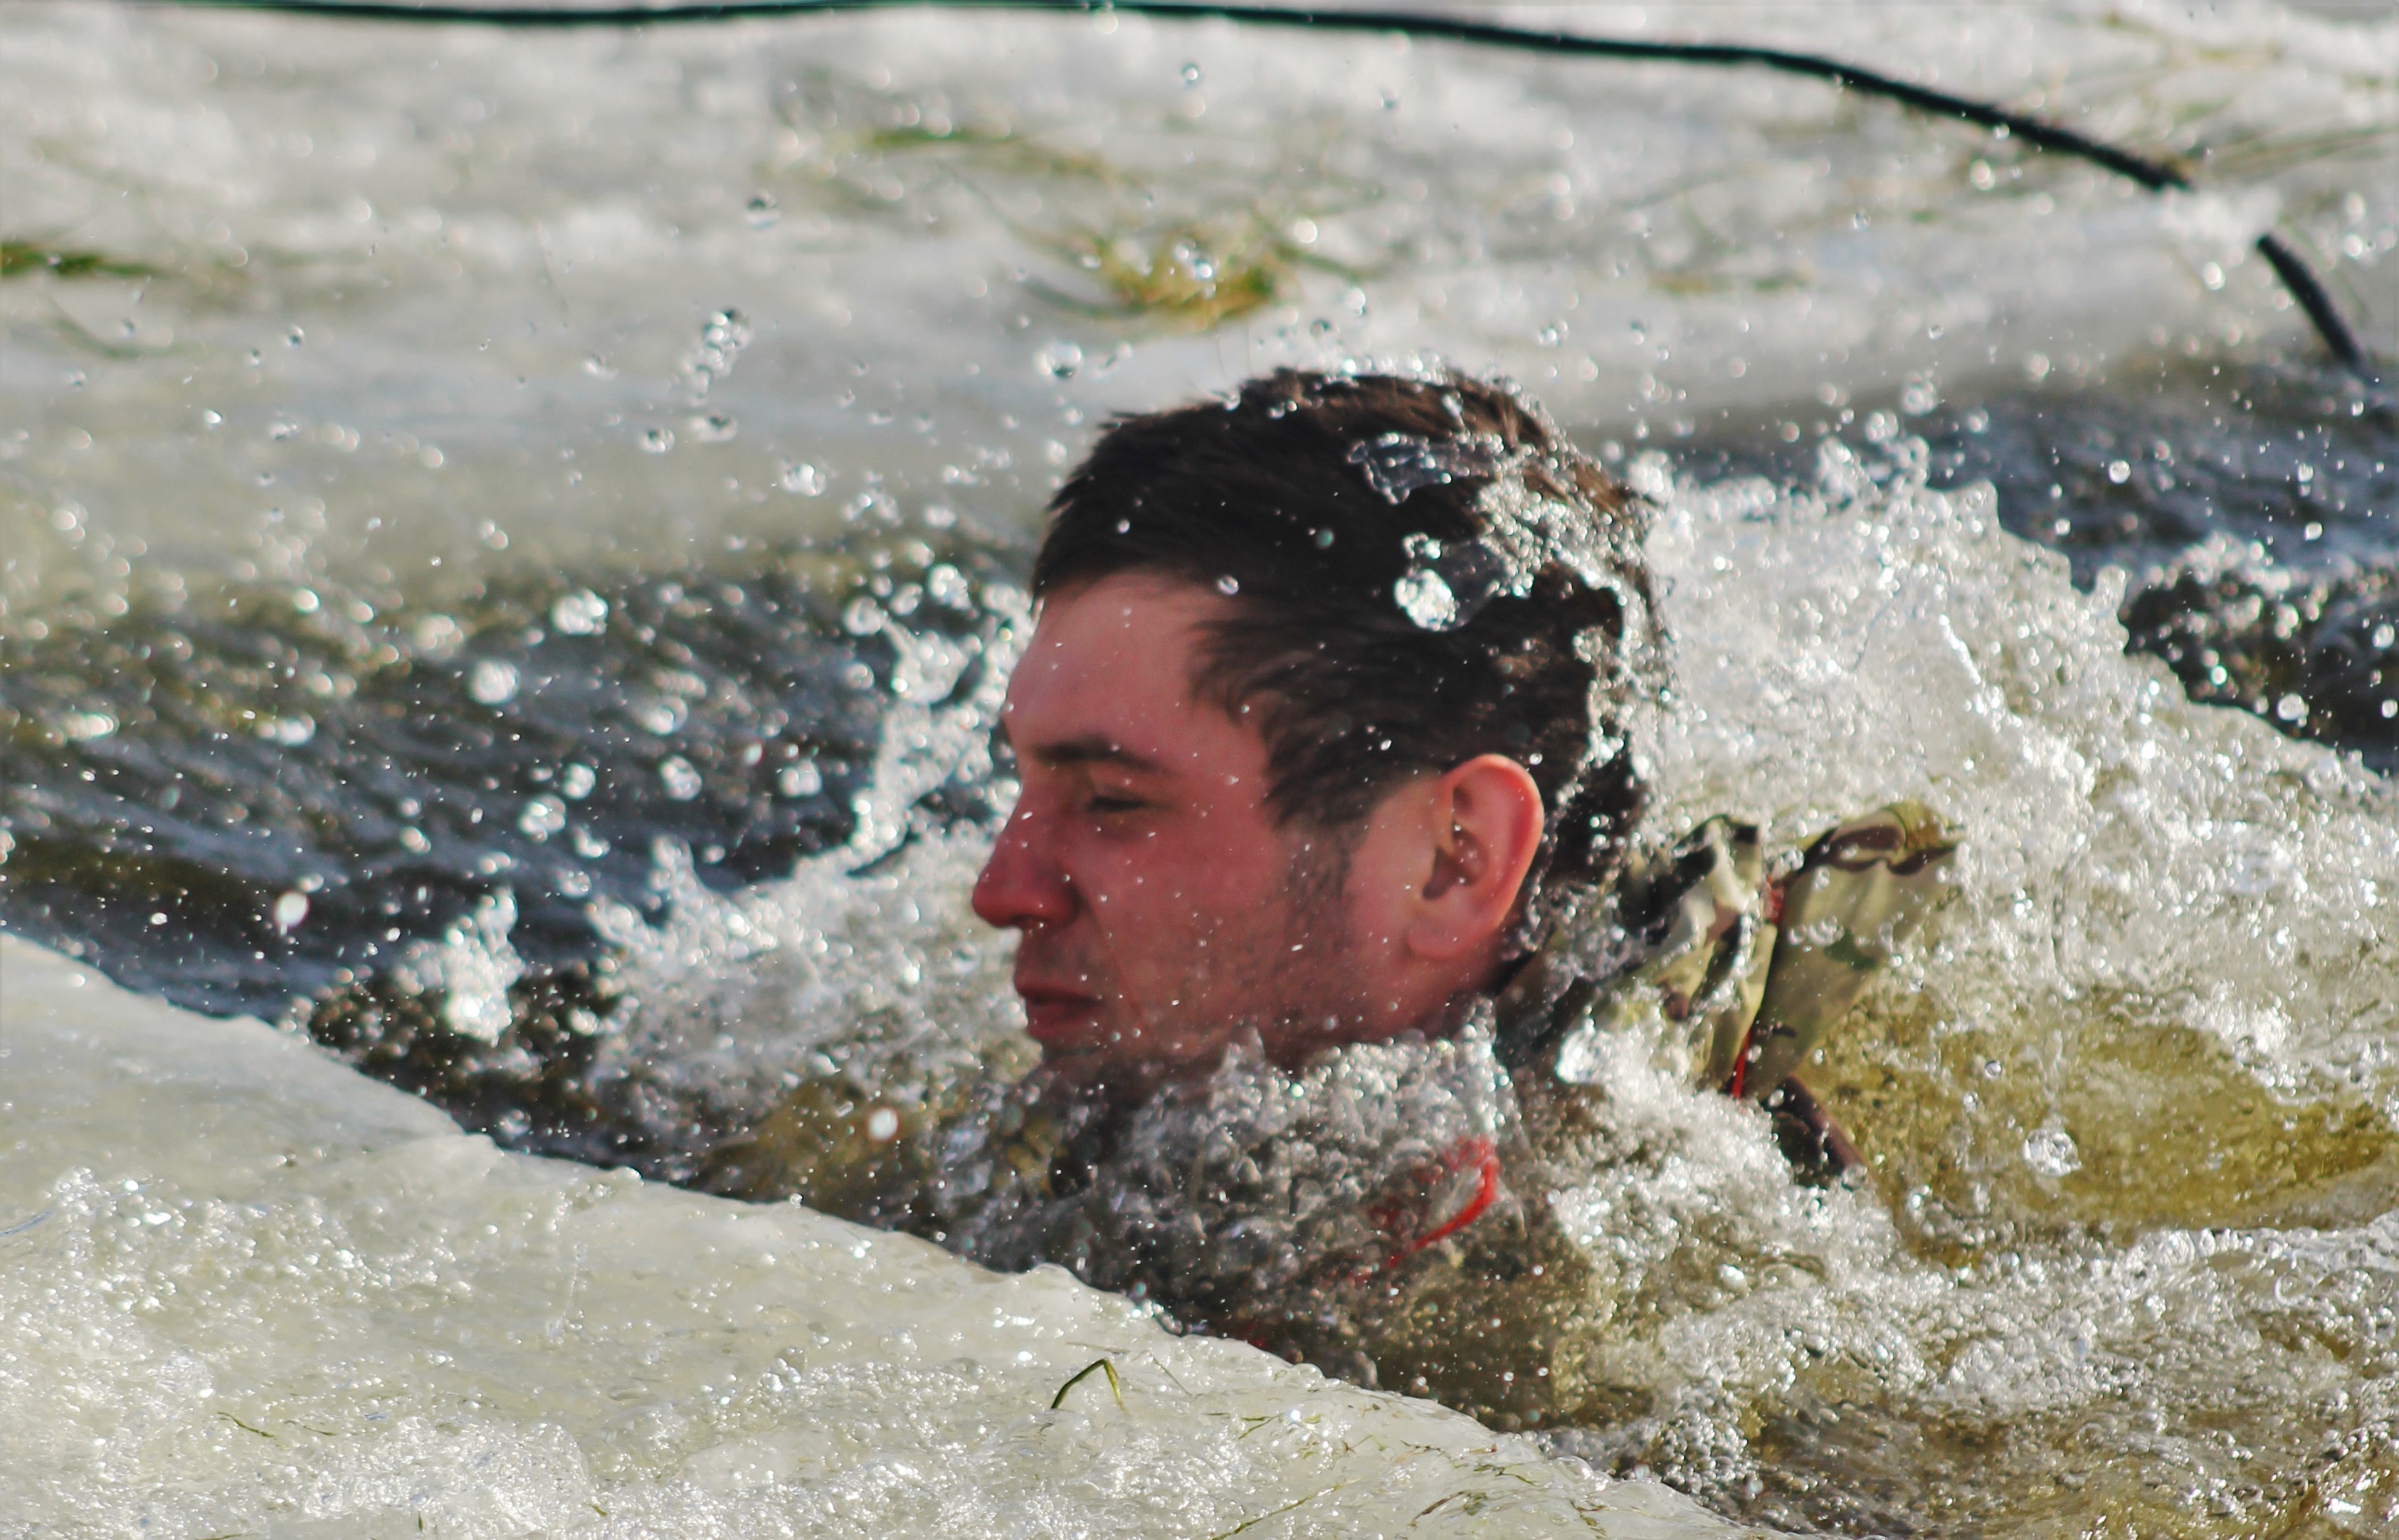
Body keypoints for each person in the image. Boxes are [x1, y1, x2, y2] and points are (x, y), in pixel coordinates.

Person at [696, 369, 1957, 1428]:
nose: (1000, 887)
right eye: (1022, 784)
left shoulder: (1714, 1309)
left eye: (1115, 802)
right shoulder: (1053, 1124)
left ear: (1453, 859)